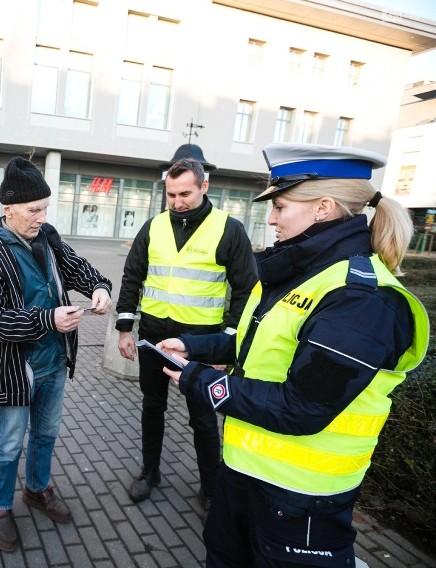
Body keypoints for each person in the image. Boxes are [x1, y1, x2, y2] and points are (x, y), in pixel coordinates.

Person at [159, 143, 429, 566]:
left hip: (301, 500)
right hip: (245, 473)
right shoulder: (301, 272)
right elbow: (261, 341)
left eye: (281, 206)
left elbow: (303, 406)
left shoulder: (360, 299)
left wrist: (201, 383)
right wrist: (195, 347)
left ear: (322, 208)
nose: (271, 218)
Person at [0, 156, 113, 552]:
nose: (41, 216)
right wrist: (48, 319)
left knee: (46, 434)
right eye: (34, 210)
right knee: (9, 443)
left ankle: (37, 489)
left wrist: (99, 286)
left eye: (45, 208)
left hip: (52, 362)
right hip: (15, 369)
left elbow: (75, 267)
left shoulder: (46, 236)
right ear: (8, 209)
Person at [115, 157, 257, 509]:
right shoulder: (153, 226)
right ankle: (150, 472)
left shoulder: (229, 229)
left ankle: (210, 488)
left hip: (200, 342)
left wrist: (227, 346)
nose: (178, 202)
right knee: (152, 406)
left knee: (203, 416)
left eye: (186, 194)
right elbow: (132, 277)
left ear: (204, 186)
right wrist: (124, 328)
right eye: (171, 194)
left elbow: (247, 290)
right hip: (152, 334)